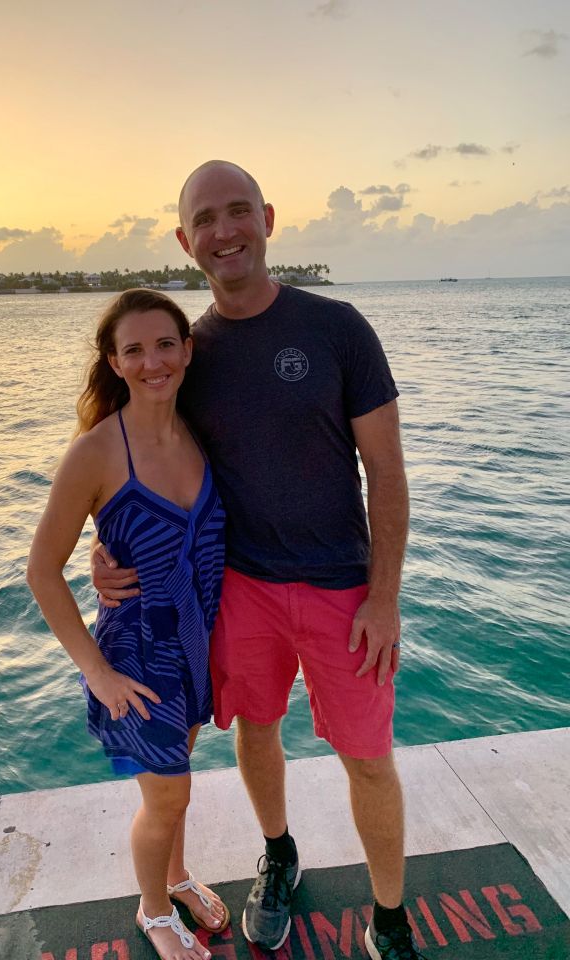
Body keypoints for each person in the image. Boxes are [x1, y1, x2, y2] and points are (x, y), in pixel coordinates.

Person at [93, 162, 425, 960]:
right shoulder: (188, 353)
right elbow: (142, 454)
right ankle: (278, 854)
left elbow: (386, 470)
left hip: (343, 588)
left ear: (267, 219)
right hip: (240, 588)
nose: (225, 231)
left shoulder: (338, 328)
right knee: (256, 730)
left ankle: (389, 919)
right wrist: (104, 548)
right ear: (186, 240)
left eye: (238, 211)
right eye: (205, 219)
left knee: (368, 758)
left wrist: (384, 597)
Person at [27, 288, 230, 960]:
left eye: (165, 344)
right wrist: (99, 674)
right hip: (137, 661)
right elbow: (41, 571)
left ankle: (176, 877)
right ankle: (155, 913)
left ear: (187, 350)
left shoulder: (200, 430)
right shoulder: (95, 453)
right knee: (167, 796)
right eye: (134, 350)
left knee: (175, 786)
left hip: (195, 649)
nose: (152, 362)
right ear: (114, 363)